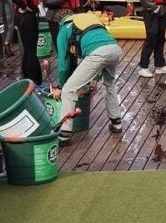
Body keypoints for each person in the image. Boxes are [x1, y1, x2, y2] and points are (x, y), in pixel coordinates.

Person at [49, 12, 124, 144]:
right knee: (109, 84)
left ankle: (64, 134)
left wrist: (60, 86)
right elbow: (98, 46)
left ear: (60, 22)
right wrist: (94, 79)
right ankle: (116, 123)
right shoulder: (89, 19)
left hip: (97, 53)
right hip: (114, 49)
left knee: (69, 90)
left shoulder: (64, 29)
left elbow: (63, 65)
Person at [9, 0, 43, 86]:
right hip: (27, 17)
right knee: (30, 50)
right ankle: (33, 80)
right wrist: (25, 7)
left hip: (19, 16)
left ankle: (28, 77)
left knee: (28, 49)